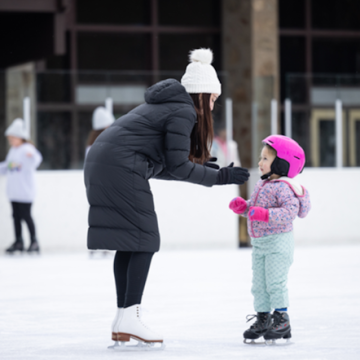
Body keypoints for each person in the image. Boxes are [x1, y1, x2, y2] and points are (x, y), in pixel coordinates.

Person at [84, 48, 250, 348]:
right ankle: (130, 315)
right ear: (201, 94)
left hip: (103, 163)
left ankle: (123, 317)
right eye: (212, 99)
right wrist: (219, 177)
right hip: (118, 167)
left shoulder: (170, 107)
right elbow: (177, 166)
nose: (212, 107)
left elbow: (163, 166)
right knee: (145, 239)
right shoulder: (184, 111)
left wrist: (199, 168)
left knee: (131, 240)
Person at [229, 135, 311, 344]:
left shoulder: (284, 187)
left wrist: (264, 214)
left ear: (282, 163)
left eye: (265, 158)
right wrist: (245, 208)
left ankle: (282, 319)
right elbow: (257, 209)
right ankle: (263, 318)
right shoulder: (264, 184)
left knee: (275, 283)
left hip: (278, 243)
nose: (260, 163)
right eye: (261, 158)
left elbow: (289, 212)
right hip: (261, 244)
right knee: (259, 285)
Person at [0, 118, 43, 254]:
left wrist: (32, 156)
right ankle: (19, 241)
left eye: (13, 138)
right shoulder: (13, 150)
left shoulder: (27, 149)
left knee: (26, 216)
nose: (11, 141)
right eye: (10, 139)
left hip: (25, 192)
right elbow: (7, 166)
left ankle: (34, 241)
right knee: (16, 217)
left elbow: (37, 159)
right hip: (14, 192)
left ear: (20, 137)